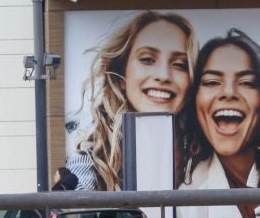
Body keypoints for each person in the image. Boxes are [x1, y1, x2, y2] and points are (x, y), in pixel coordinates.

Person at [175, 29, 260, 218]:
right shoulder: (188, 194)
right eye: (212, 82)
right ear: (195, 101)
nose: (228, 92)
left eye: (247, 82)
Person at [56, 11, 194, 193]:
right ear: (122, 76)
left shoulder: (202, 153)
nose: (163, 75)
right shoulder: (94, 153)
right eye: (147, 59)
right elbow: (78, 196)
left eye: (179, 64)